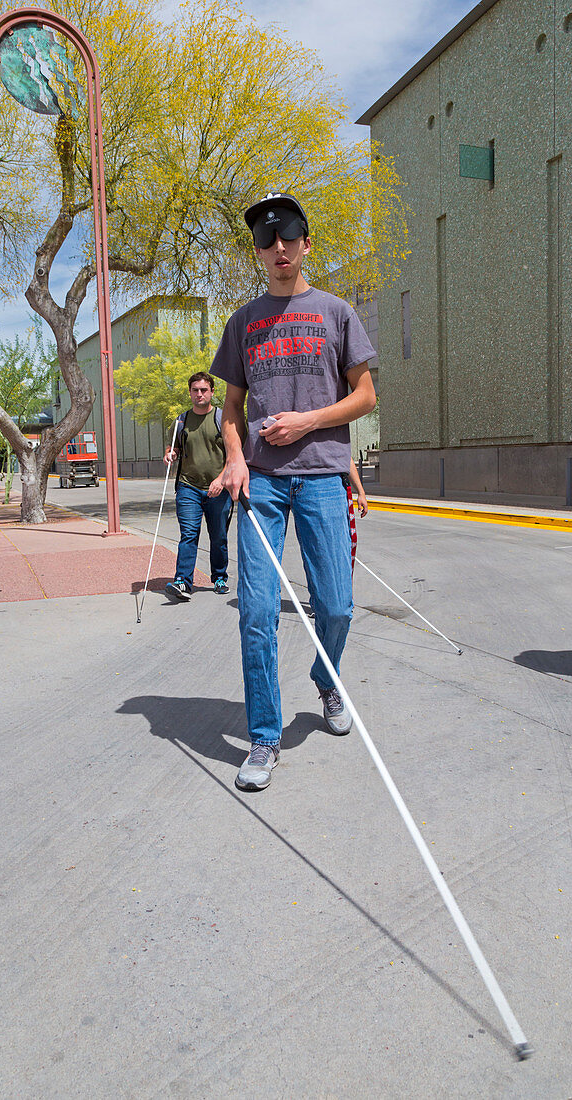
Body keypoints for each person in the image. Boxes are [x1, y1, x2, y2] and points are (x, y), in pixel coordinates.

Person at [211, 192, 377, 790]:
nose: (278, 249)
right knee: (256, 612)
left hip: (324, 477)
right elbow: (231, 406)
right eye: (265, 241)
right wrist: (236, 457)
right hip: (264, 486)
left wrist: (306, 422)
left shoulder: (337, 313)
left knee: (335, 606)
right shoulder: (244, 321)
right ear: (258, 253)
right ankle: (264, 736)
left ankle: (326, 679)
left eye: (288, 238)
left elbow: (365, 396)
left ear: (306, 245)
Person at [164, 372, 233, 602]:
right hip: (188, 487)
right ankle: (183, 581)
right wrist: (170, 454)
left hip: (218, 489)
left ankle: (219, 577)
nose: (199, 394)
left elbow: (234, 457)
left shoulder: (223, 419)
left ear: (212, 392)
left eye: (204, 390)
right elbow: (172, 447)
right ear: (190, 392)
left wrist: (221, 480)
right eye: (195, 390)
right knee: (189, 535)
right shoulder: (181, 421)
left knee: (218, 536)